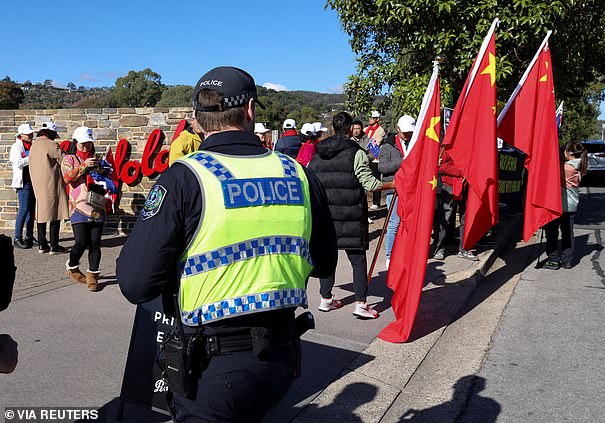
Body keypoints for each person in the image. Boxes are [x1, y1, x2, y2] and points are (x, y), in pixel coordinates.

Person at [117, 66, 337, 422]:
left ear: (196, 119)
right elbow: (325, 264)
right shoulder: (298, 174)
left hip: (210, 366)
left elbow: (135, 282)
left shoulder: (184, 178)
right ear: (251, 110)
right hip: (281, 359)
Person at [309, 112, 394, 319]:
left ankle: (326, 299)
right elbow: (370, 184)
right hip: (351, 214)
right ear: (350, 130)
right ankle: (361, 303)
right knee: (357, 259)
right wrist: (392, 184)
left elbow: (310, 181)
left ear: (333, 128)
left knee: (327, 257)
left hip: (325, 215)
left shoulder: (317, 154)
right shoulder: (356, 153)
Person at [62, 126, 113, 292]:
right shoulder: (69, 159)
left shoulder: (96, 158)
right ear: (76, 142)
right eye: (83, 143)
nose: (86, 146)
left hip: (97, 204)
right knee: (81, 242)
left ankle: (93, 276)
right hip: (77, 206)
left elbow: (107, 178)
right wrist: (84, 166)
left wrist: (103, 170)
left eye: (89, 143)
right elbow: (67, 178)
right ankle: (72, 265)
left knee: (95, 243)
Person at [542, 141, 588, 270]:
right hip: (571, 206)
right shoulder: (580, 165)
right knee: (567, 233)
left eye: (564, 151)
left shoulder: (567, 168)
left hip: (558, 204)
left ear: (570, 154)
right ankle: (567, 260)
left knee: (551, 232)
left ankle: (553, 259)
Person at [378, 115, 415, 268]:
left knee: (409, 223)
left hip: (412, 189)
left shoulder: (415, 143)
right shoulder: (388, 146)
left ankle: (406, 252)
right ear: (398, 130)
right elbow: (382, 168)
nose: (408, 135)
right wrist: (404, 162)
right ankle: (390, 255)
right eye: (405, 132)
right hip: (394, 189)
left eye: (410, 132)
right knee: (394, 222)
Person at [28, 121, 69, 254]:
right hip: (52, 183)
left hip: (37, 183)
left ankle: (42, 244)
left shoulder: (34, 145)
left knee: (41, 213)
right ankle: (54, 245)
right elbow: (64, 160)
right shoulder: (52, 144)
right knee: (55, 213)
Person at [433, 150, 478, 261]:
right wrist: (461, 172)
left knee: (466, 218)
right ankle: (439, 248)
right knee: (445, 219)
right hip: (449, 186)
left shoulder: (471, 146)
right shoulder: (448, 147)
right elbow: (441, 165)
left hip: (467, 185)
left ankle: (464, 249)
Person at [10, 123, 37, 249]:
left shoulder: (32, 146)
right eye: (28, 134)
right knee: (24, 209)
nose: (31, 135)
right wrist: (32, 156)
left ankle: (30, 237)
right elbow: (18, 163)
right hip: (23, 183)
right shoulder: (16, 147)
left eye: (31, 133)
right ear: (21, 135)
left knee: (32, 211)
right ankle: (17, 237)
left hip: (33, 181)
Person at [363, 113, 384, 210]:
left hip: (375, 158)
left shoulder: (380, 131)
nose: (370, 119)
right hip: (365, 157)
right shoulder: (365, 129)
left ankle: (376, 201)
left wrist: (365, 145)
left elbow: (375, 144)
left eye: (373, 118)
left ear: (377, 119)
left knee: (376, 179)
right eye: (370, 117)